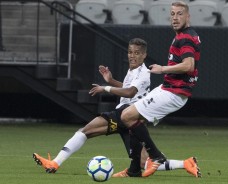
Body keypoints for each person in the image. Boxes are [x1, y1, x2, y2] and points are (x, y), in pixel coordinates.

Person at [32, 38, 197, 176]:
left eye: (137, 53)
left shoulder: (144, 73)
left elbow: (130, 92)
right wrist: (111, 81)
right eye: (130, 52)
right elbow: (128, 86)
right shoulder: (133, 71)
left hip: (125, 114)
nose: (132, 56)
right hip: (131, 119)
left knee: (84, 131)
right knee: (144, 163)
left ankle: (54, 163)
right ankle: (186, 163)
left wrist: (106, 88)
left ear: (144, 55)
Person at [113, 1, 201, 178]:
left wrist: (163, 69)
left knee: (126, 116)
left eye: (179, 14)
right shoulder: (186, 35)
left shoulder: (185, 37)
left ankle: (156, 157)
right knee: (135, 121)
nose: (175, 18)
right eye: (172, 14)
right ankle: (134, 169)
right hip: (168, 88)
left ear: (188, 16)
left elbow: (188, 65)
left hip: (174, 92)